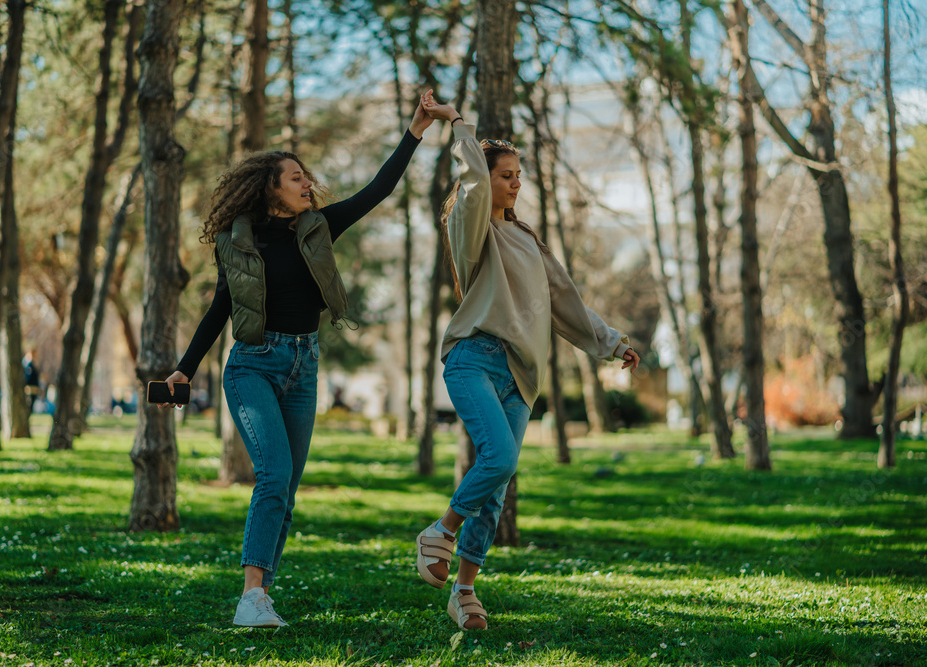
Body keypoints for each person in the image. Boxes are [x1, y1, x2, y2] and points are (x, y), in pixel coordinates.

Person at [160, 93, 437, 628]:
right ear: (270, 190)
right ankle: (250, 596)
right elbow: (221, 306)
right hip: (253, 367)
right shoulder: (237, 242)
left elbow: (379, 190)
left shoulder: (320, 227)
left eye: (305, 176)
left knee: (285, 491)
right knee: (274, 474)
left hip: (303, 366)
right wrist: (185, 368)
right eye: (294, 178)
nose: (306, 182)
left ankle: (262, 594)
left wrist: (415, 131)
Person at [414, 94, 641, 631]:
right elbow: (470, 187)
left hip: (521, 377)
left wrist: (613, 343)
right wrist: (459, 125)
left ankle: (464, 591)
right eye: (506, 175)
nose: (516, 183)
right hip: (473, 359)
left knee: (494, 491)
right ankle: (439, 531)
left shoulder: (527, 239)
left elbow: (566, 301)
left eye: (520, 175)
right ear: (484, 178)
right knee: (497, 459)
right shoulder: (473, 231)